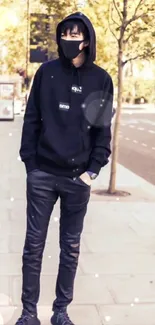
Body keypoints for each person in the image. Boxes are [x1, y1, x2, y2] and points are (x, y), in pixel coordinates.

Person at [16, 11, 114, 325]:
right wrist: (31, 166)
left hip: (77, 179)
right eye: (65, 34)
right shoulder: (46, 73)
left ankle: (60, 311)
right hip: (43, 174)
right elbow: (31, 120)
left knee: (70, 248)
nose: (69, 40)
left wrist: (92, 172)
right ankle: (29, 312)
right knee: (33, 245)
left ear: (87, 40)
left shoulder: (100, 79)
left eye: (75, 35)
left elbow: (102, 132)